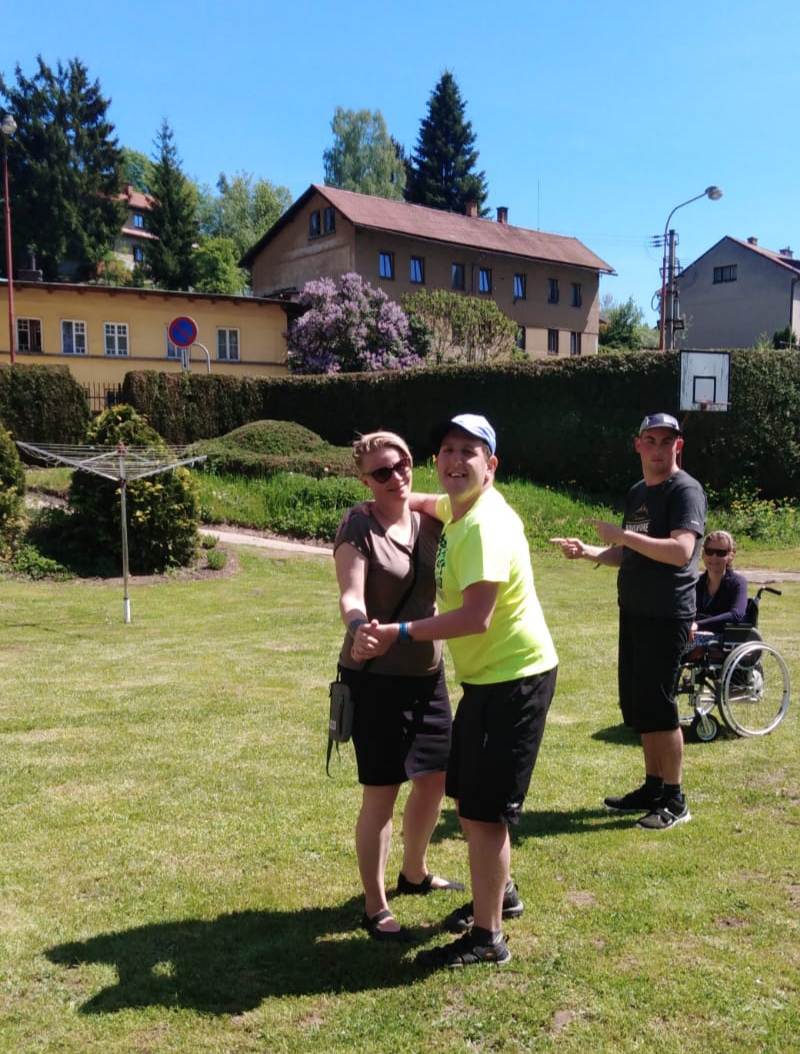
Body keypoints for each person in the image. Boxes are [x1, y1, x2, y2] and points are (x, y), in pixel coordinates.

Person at [352, 414, 558, 968]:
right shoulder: (460, 507)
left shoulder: (485, 525)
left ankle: (488, 938)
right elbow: (425, 501)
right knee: (471, 801)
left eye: (469, 451)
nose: (455, 460)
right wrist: (380, 499)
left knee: (485, 815)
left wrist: (399, 631)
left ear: (491, 465)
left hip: (513, 680)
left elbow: (474, 617)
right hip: (487, 681)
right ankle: (500, 895)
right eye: (446, 450)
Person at [334, 430, 463, 943]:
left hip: (428, 678)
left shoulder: (429, 519)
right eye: (382, 472)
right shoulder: (358, 526)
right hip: (376, 680)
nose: (396, 477)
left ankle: (415, 871)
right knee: (382, 792)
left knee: (435, 780)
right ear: (365, 480)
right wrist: (358, 628)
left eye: (403, 464)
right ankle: (375, 904)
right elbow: (350, 594)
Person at [550, 412, 706, 832]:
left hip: (666, 614)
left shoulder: (685, 490)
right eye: (650, 441)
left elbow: (680, 551)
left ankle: (675, 799)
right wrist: (589, 551)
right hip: (634, 611)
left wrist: (621, 536)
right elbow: (632, 552)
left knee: (660, 705)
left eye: (666, 441)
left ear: (678, 446)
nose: (658, 449)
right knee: (642, 707)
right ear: (637, 445)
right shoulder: (638, 491)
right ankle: (653, 787)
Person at [694, 530, 748, 633]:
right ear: (703, 554)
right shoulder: (696, 583)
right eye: (709, 551)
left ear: (731, 556)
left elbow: (736, 614)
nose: (714, 556)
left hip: (724, 636)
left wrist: (698, 625)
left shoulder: (738, 582)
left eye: (720, 553)